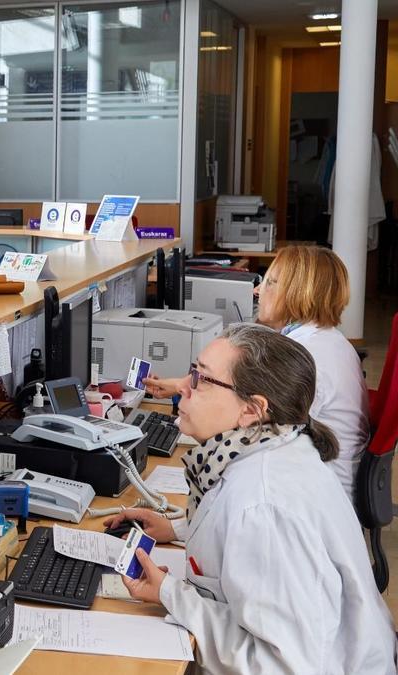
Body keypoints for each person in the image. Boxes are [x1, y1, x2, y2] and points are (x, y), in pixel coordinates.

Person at [107, 324, 395, 674]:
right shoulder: (274, 451)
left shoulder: (263, 506)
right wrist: (179, 529)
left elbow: (280, 665)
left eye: (200, 378)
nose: (183, 386)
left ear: (252, 410)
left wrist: (170, 594)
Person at [143, 246, 368, 498]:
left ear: (298, 293)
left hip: (313, 496)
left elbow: (255, 436)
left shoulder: (310, 357)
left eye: (270, 283)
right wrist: (182, 386)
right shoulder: (324, 341)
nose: (257, 291)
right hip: (311, 484)